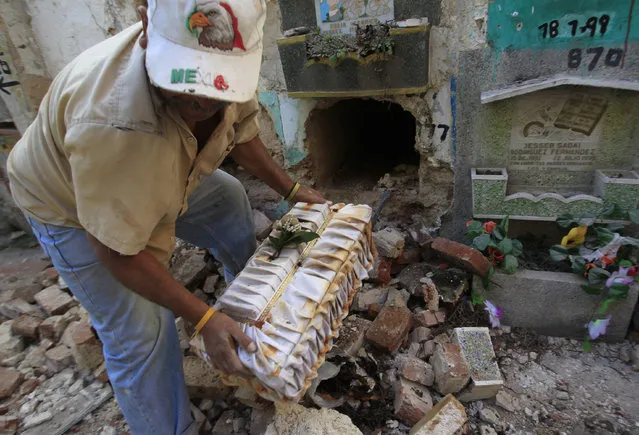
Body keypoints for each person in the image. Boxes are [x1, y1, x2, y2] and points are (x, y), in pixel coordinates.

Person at [7, 0, 326, 433]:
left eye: (219, 89)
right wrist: (204, 318)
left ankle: (252, 304)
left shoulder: (227, 60)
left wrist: (290, 189)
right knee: (143, 330)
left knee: (228, 197)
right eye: (189, 83)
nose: (203, 100)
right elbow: (118, 252)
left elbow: (241, 130)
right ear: (144, 25)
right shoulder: (113, 123)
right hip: (66, 202)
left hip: (158, 167)